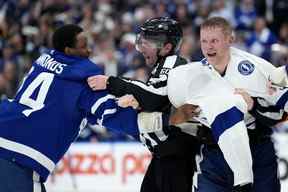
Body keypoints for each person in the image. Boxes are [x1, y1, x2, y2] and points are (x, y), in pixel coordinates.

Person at [0, 24, 142, 192]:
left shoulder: (42, 62)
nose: (89, 51)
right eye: (83, 47)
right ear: (68, 50)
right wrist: (148, 127)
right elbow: (108, 112)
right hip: (20, 155)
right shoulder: (84, 78)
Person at [168, 17, 281, 192]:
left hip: (258, 153)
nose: (208, 47)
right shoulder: (193, 75)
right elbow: (175, 118)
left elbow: (281, 113)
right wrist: (186, 113)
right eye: (204, 41)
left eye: (214, 41)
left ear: (230, 40)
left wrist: (254, 105)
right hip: (214, 156)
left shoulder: (259, 70)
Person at [87, 17, 199, 192]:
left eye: (149, 42)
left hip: (175, 154)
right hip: (165, 154)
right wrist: (137, 100)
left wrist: (111, 82)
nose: (142, 48)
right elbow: (155, 99)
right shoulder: (161, 66)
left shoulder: (173, 62)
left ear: (167, 47)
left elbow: (154, 97)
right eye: (142, 40)